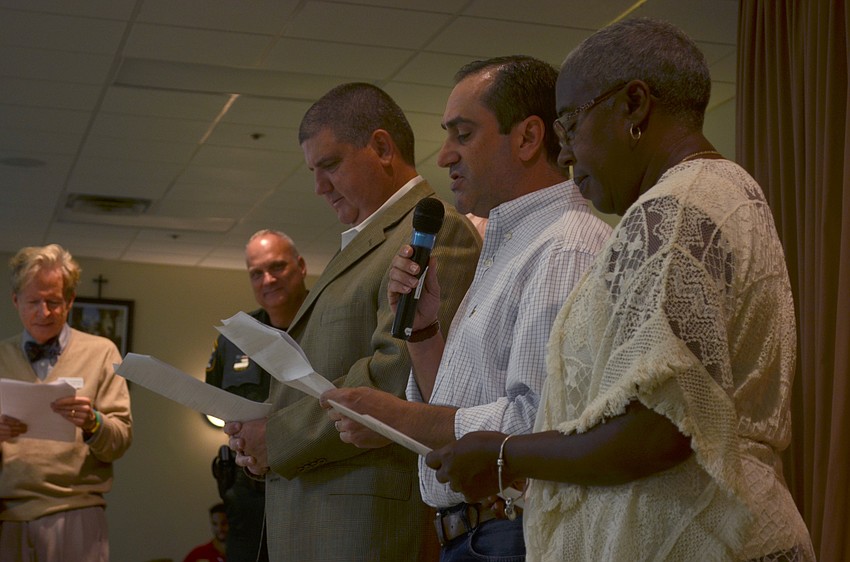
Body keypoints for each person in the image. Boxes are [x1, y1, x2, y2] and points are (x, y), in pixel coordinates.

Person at [426, 18, 816, 562]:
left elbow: (657, 431)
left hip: (697, 540)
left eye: (570, 125)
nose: (564, 154)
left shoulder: (672, 212)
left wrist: (505, 453)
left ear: (634, 106)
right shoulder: (729, 192)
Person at [320, 56, 611, 561]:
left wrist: (399, 417)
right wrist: (425, 332)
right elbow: (458, 400)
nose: (444, 155)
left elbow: (536, 425)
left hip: (515, 532)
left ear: (527, 138)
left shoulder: (565, 247)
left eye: (463, 134)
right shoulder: (509, 244)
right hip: (476, 535)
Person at [224, 82, 481, 561]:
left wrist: (277, 438)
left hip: (366, 526)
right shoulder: (368, 240)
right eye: (313, 171)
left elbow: (397, 369)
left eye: (330, 165)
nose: (319, 187)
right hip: (324, 516)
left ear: (381, 147)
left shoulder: (432, 230)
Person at [0, 244, 132, 562]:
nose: (43, 313)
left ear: (70, 301)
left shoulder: (102, 352)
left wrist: (93, 423)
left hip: (77, 510)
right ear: (16, 301)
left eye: (54, 302)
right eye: (33, 302)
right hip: (7, 515)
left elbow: (120, 442)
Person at [206, 230, 308, 562]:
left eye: (277, 267)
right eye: (256, 273)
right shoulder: (235, 337)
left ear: (301, 266)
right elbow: (216, 402)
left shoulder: (327, 323)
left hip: (308, 492)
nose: (268, 279)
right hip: (248, 501)